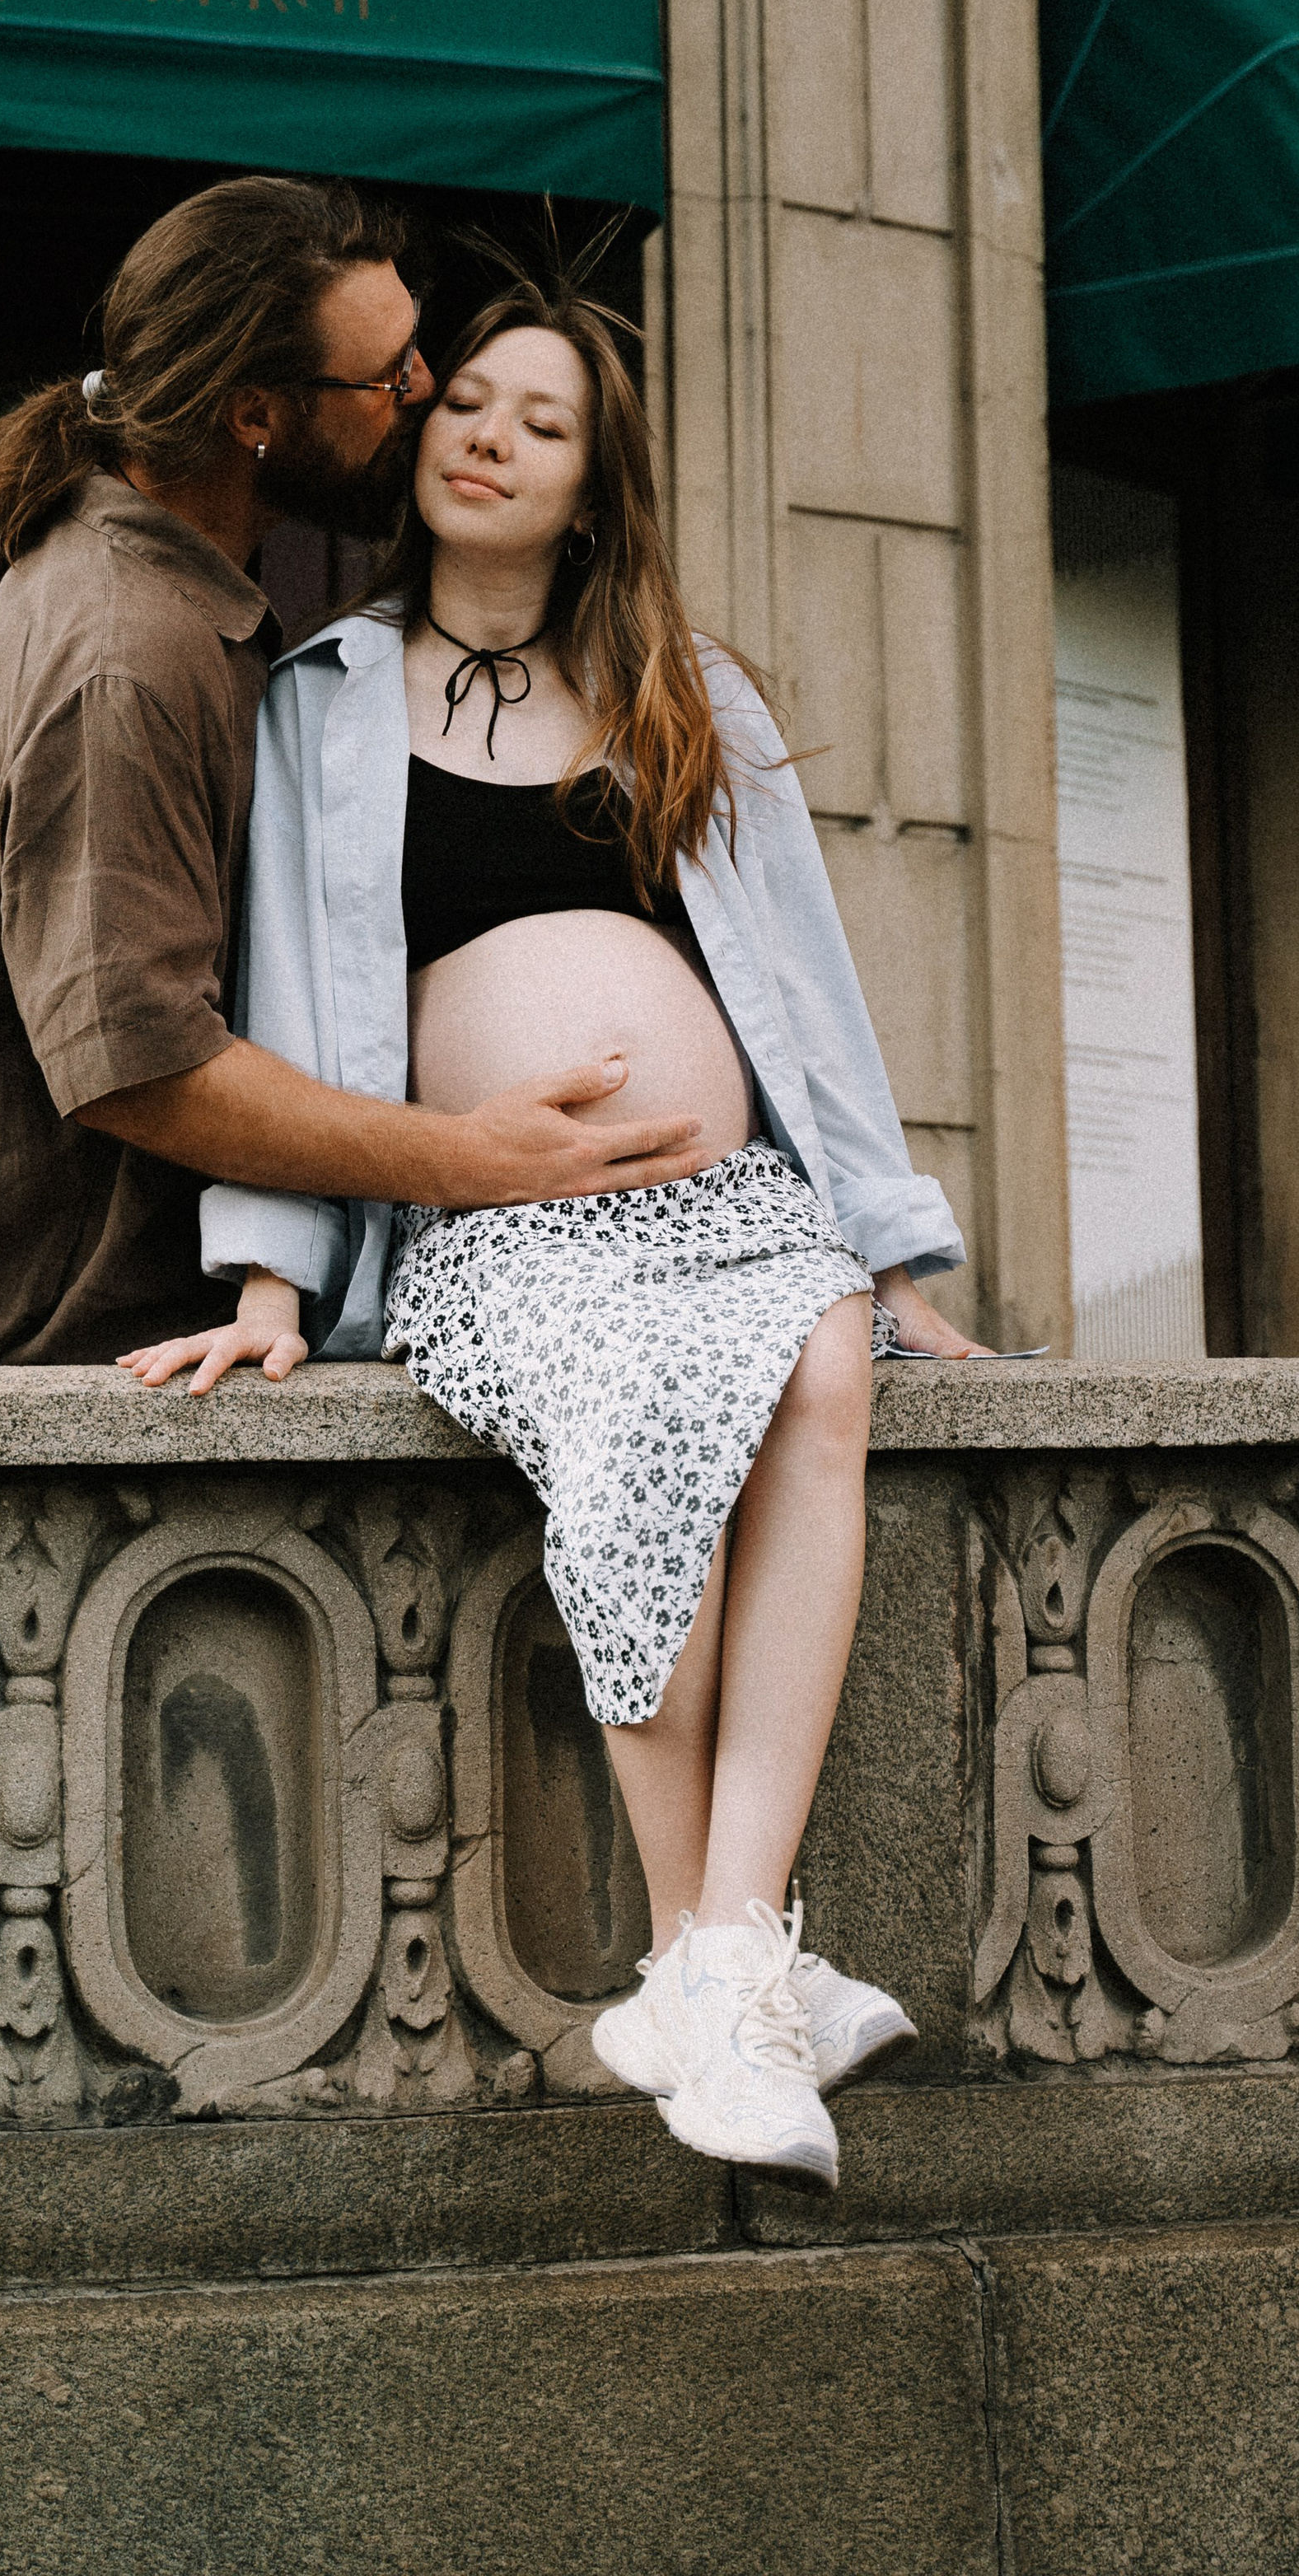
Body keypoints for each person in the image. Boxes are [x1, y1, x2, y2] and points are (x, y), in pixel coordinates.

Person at [120, 269, 988, 2186]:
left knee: (822, 1353)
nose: (488, 435)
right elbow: (279, 1000)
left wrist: (887, 1253)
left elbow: (802, 992)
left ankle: (716, 1953)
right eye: (465, 405)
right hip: (499, 1230)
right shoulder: (322, 702)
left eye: (542, 420)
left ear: (592, 488)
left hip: (728, 1203)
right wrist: (273, 1274)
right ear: (417, 442)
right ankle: (728, 1973)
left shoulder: (689, 692)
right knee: (634, 1426)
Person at [0, 179, 710, 1370]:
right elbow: (137, 1068)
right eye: (387, 376)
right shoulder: (123, 655)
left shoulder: (162, 582)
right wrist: (471, 1159)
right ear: (255, 413)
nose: (420, 396)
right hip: (12, 1359)